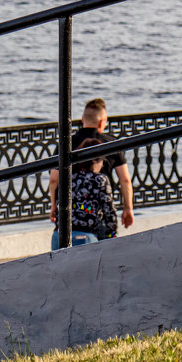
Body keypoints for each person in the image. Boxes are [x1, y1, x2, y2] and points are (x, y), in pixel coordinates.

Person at [48, 98, 134, 249]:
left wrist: (54, 206)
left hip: (65, 222)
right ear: (102, 122)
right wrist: (128, 208)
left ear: (82, 120)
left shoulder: (66, 143)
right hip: (94, 223)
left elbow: (54, 179)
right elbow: (125, 180)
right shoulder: (111, 143)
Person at [52, 135, 118, 247]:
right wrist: (113, 238)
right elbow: (109, 214)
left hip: (58, 236)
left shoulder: (67, 177)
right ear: (96, 161)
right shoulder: (100, 179)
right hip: (85, 237)